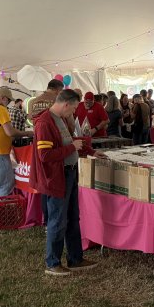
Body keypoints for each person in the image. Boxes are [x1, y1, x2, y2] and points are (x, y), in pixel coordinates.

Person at [33, 89, 98, 276]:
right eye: (75, 108)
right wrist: (72, 147)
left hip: (68, 174)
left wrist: (90, 151)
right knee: (57, 220)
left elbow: (68, 143)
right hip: (56, 177)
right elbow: (45, 155)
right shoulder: (45, 123)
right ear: (66, 104)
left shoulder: (58, 119)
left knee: (72, 218)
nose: (75, 112)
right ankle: (52, 262)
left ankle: (75, 258)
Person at [0, 87, 33, 210]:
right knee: (7, 184)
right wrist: (27, 133)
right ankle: (4, 214)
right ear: (3, 98)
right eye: (8, 100)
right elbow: (9, 132)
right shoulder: (0, 108)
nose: (8, 103)